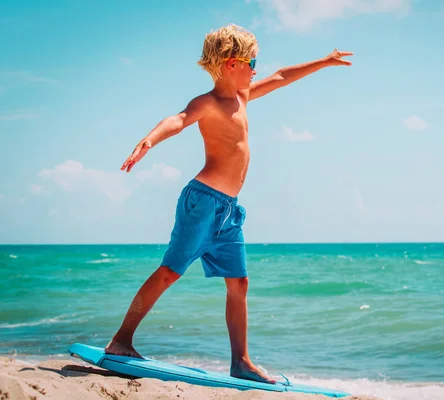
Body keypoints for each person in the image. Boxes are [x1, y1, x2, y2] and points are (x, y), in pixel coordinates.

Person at [104, 23, 353, 384]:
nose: (256, 68)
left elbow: (282, 76)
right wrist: (149, 140)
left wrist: (325, 61)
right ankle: (121, 339)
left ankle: (241, 362)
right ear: (232, 63)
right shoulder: (208, 103)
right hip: (202, 203)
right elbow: (177, 120)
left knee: (239, 283)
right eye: (253, 61)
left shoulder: (243, 96)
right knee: (170, 272)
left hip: (229, 211)